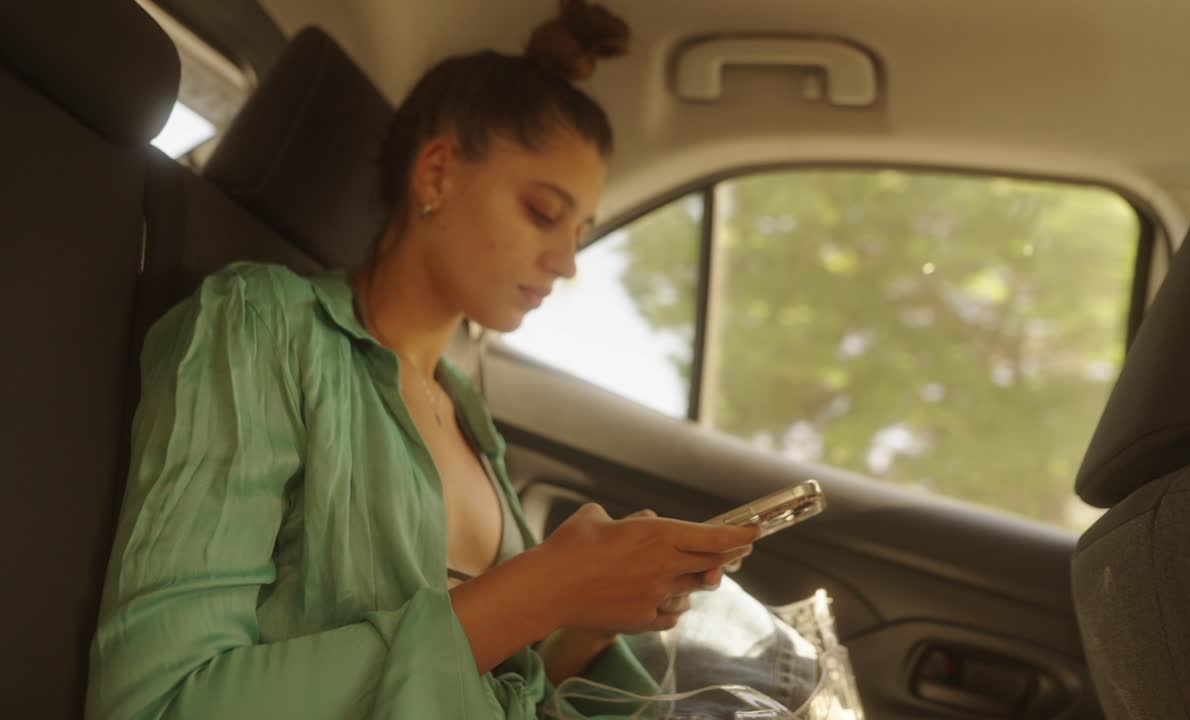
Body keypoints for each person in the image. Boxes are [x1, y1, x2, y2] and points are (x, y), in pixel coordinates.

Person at [84, 2, 758, 719]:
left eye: (580, 230)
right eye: (541, 212)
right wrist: (544, 587)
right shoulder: (262, 326)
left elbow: (502, 680)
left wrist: (588, 622)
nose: (565, 262)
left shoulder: (465, 411)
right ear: (435, 173)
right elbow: (157, 704)